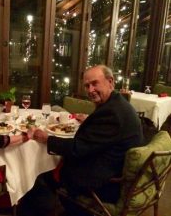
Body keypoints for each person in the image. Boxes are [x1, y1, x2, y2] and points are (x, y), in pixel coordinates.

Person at [19, 65, 144, 216]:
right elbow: (102, 136)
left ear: (110, 82)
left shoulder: (111, 113)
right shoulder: (117, 104)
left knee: (40, 172)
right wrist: (90, 120)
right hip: (116, 168)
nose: (90, 90)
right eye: (87, 85)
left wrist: (46, 138)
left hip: (107, 183)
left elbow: (77, 148)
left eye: (95, 83)